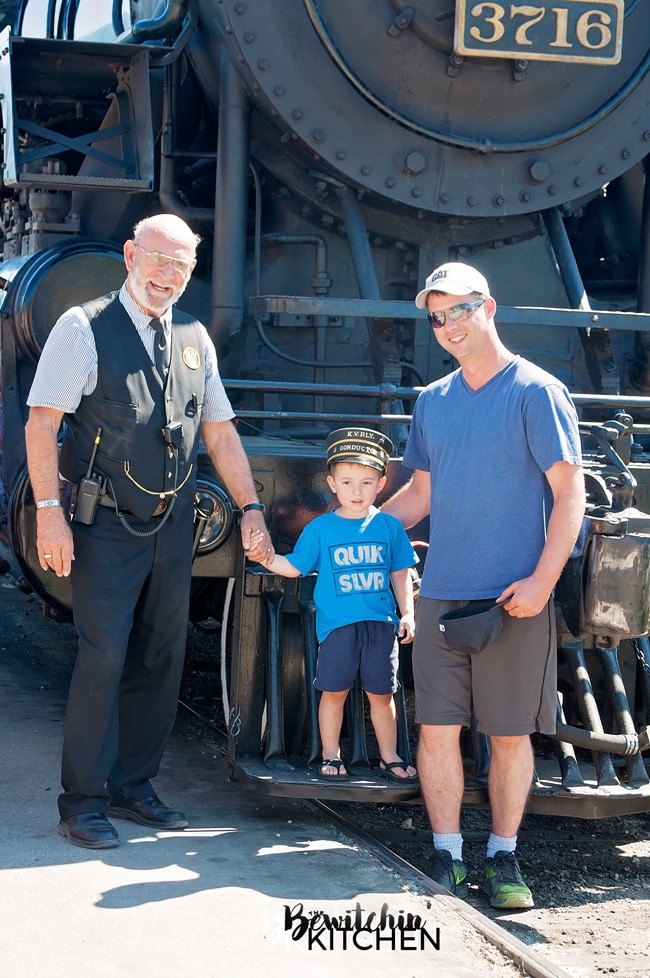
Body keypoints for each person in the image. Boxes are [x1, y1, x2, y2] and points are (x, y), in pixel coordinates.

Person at [25, 214, 273, 849]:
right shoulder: (83, 326)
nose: (168, 275)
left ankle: (134, 787)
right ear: (131, 255)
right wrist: (49, 512)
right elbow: (41, 421)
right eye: (159, 260)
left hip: (172, 522)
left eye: (182, 266)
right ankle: (81, 801)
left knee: (160, 657)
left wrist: (250, 509)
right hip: (102, 520)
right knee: (103, 655)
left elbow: (218, 430)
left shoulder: (193, 335)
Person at [382, 262, 585, 908]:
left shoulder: (536, 391)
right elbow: (419, 496)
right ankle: (446, 859)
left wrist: (543, 581)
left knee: (507, 735)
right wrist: (350, 535)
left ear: (489, 307)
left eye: (460, 310)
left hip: (511, 601)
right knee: (435, 732)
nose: (448, 326)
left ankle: (503, 858)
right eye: (437, 316)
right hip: (441, 594)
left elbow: (569, 494)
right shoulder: (432, 402)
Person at [252, 427, 418, 781]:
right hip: (338, 625)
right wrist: (267, 557)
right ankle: (330, 754)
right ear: (331, 483)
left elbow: (400, 574)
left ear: (382, 483)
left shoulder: (389, 527)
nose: (356, 492)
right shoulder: (320, 529)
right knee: (334, 691)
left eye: (366, 482)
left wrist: (408, 614)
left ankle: (389, 756)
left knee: (382, 694)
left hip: (380, 625)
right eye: (346, 482)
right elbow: (295, 567)